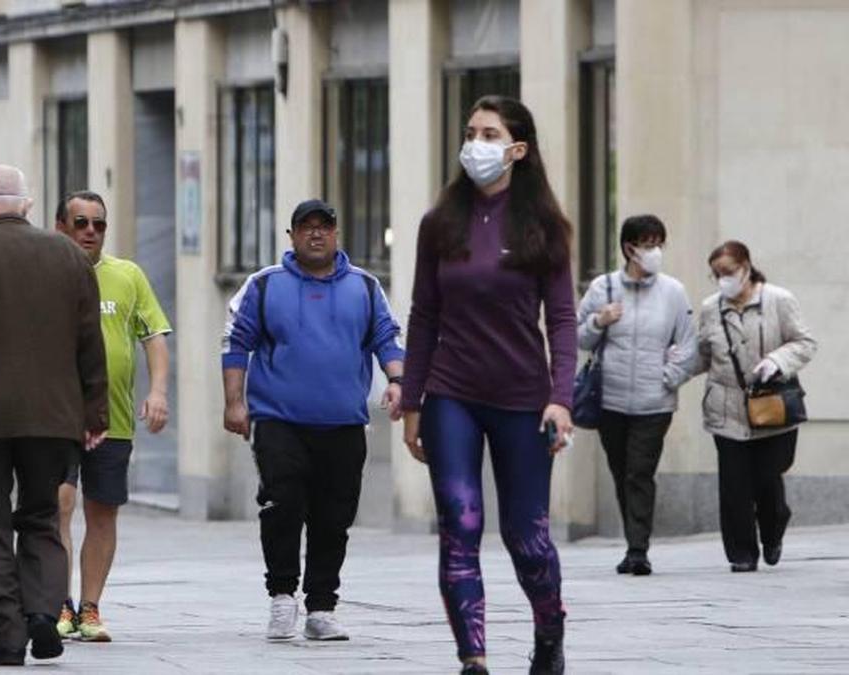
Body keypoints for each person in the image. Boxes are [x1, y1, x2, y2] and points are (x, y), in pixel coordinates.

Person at [400, 96, 575, 675]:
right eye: (471, 131)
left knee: (527, 540)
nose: (476, 142)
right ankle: (472, 658)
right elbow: (423, 315)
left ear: (517, 149)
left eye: (490, 133)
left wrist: (561, 398)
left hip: (523, 399)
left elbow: (564, 319)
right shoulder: (439, 223)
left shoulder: (543, 226)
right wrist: (413, 401)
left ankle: (550, 630)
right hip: (453, 394)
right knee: (461, 523)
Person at [0, 167, 109, 666]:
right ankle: (42, 610)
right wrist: (95, 410)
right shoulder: (67, 255)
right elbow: (90, 340)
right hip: (53, 417)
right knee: (41, 516)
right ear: (30, 207)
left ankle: (9, 631)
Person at [222, 198, 406, 643]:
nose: (316, 234)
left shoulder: (364, 287)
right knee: (282, 505)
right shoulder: (265, 285)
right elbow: (235, 341)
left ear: (337, 233)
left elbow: (387, 336)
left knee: (333, 519)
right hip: (279, 420)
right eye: (306, 227)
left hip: (343, 423)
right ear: (292, 236)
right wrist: (234, 403)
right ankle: (283, 597)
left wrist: (398, 381)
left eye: (324, 226)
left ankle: (321, 606)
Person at [53, 190, 172, 643]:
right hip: (58, 416)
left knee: (103, 512)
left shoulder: (128, 275)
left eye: (98, 224)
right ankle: (58, 604)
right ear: (61, 225)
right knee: (59, 505)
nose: (90, 232)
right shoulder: (49, 272)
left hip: (115, 417)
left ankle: (90, 608)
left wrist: (158, 392)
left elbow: (155, 336)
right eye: (80, 222)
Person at [577, 215, 697, 576]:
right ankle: (633, 541)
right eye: (647, 243)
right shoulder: (603, 288)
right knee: (621, 472)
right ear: (629, 247)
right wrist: (599, 321)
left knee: (639, 473)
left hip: (654, 402)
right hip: (610, 399)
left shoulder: (673, 292)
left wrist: (668, 378)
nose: (654, 251)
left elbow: (688, 343)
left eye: (659, 243)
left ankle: (638, 549)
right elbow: (578, 338)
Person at [695, 241, 816, 573]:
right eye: (717, 274)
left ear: (746, 267)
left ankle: (774, 527)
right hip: (726, 408)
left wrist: (777, 361)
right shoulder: (710, 308)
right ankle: (742, 553)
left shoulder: (779, 300)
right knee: (734, 486)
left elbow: (804, 343)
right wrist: (669, 371)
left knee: (767, 478)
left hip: (773, 406)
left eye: (729, 272)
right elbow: (703, 355)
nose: (723, 280)